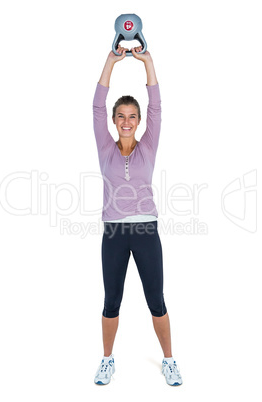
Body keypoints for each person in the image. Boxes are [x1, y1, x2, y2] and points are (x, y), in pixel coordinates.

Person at [92, 44, 182, 386]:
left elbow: (157, 106)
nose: (127, 121)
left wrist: (148, 61)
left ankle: (170, 360)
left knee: (156, 299)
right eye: (121, 116)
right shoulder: (104, 146)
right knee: (111, 299)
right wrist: (110, 61)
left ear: (139, 121)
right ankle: (106, 360)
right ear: (115, 121)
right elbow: (97, 106)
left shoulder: (148, 146)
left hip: (146, 230)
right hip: (113, 232)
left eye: (133, 116)